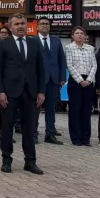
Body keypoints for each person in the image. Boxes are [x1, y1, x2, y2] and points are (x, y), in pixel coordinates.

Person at [0, 13, 45, 174]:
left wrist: (41, 91)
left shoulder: (35, 43)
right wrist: (0, 92)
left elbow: (41, 69)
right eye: (17, 24)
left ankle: (30, 161)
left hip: (30, 92)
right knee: (7, 128)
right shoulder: (2, 44)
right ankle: (6, 160)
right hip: (9, 93)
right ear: (10, 26)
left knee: (29, 129)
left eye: (23, 23)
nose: (21, 26)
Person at [34, 17, 66, 145]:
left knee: (51, 109)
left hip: (53, 79)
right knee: (35, 109)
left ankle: (50, 134)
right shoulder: (32, 40)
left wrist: (62, 77)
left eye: (47, 24)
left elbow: (61, 60)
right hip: (38, 80)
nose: (45, 26)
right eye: (42, 24)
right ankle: (33, 134)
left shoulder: (56, 41)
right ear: (37, 26)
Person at [63, 26, 96, 146]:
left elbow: (94, 66)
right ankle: (75, 138)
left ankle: (85, 138)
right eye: (77, 33)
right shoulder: (68, 48)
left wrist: (89, 80)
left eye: (82, 33)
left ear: (85, 36)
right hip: (75, 81)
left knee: (86, 110)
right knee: (75, 110)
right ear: (72, 36)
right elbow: (69, 65)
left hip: (88, 81)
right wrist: (81, 80)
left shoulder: (90, 48)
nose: (79, 35)